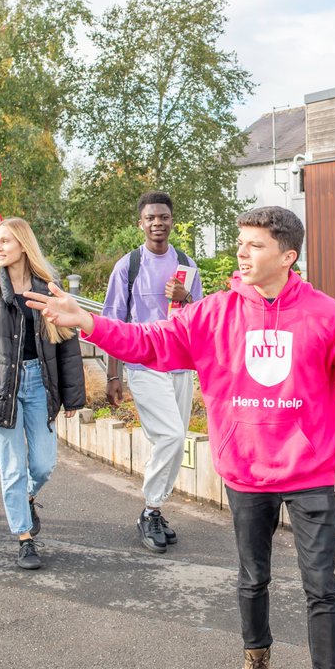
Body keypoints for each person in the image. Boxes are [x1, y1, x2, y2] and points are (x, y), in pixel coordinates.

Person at [29, 206, 335, 669]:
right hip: (246, 471)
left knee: (321, 589)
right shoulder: (214, 313)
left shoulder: (325, 315)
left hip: (309, 473)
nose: (242, 251)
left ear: (288, 256)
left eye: (255, 244)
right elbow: (147, 341)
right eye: (240, 241)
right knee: (253, 579)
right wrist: (88, 324)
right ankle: (257, 662)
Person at [0, 218, 85, 570]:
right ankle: (24, 538)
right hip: (3, 390)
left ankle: (27, 498)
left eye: (5, 242)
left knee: (43, 465)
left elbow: (67, 344)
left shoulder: (48, 288)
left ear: (23, 246)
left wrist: (72, 396)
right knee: (12, 468)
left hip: (40, 384)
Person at [102, 190, 203, 553]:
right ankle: (151, 509)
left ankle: (155, 509)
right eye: (151, 218)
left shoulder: (187, 265)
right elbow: (111, 324)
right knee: (172, 437)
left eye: (164, 217)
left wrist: (186, 296)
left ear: (171, 221)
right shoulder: (128, 266)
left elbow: (201, 320)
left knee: (173, 440)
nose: (157, 223)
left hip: (180, 366)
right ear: (141, 223)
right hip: (143, 364)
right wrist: (113, 376)